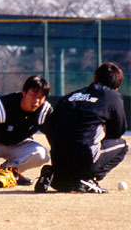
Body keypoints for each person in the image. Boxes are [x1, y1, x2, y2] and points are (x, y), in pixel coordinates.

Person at [35, 62, 129, 193]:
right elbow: (118, 131)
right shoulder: (113, 96)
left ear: (94, 78)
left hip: (58, 158)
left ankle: (55, 174)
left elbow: (49, 126)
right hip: (84, 158)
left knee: (64, 185)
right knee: (123, 145)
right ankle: (88, 179)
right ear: (117, 86)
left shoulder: (71, 96)